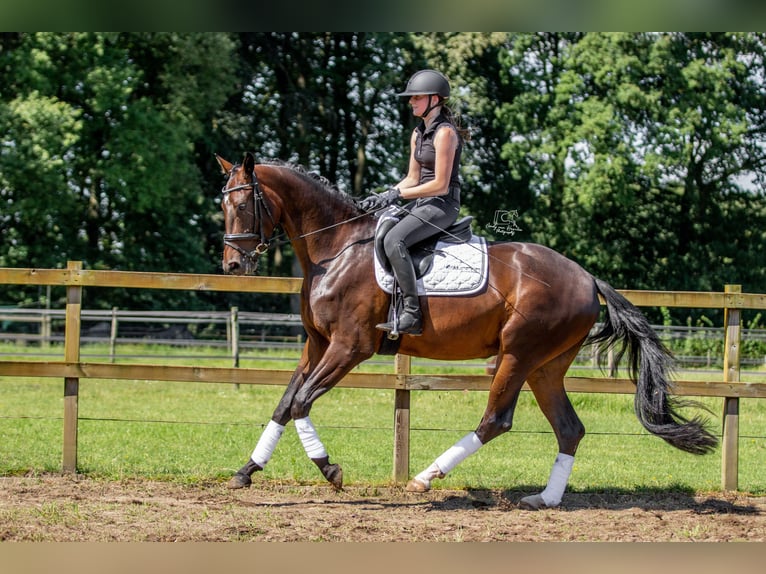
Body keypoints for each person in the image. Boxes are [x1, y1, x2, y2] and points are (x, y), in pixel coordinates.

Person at [360, 69, 465, 335]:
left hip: (442, 205)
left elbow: (440, 184)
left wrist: (399, 195)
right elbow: (412, 177)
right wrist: (385, 194)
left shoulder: (445, 134)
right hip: (421, 203)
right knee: (380, 230)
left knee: (394, 239)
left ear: (435, 99)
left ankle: (411, 314)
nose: (411, 102)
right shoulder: (418, 134)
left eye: (416, 97)